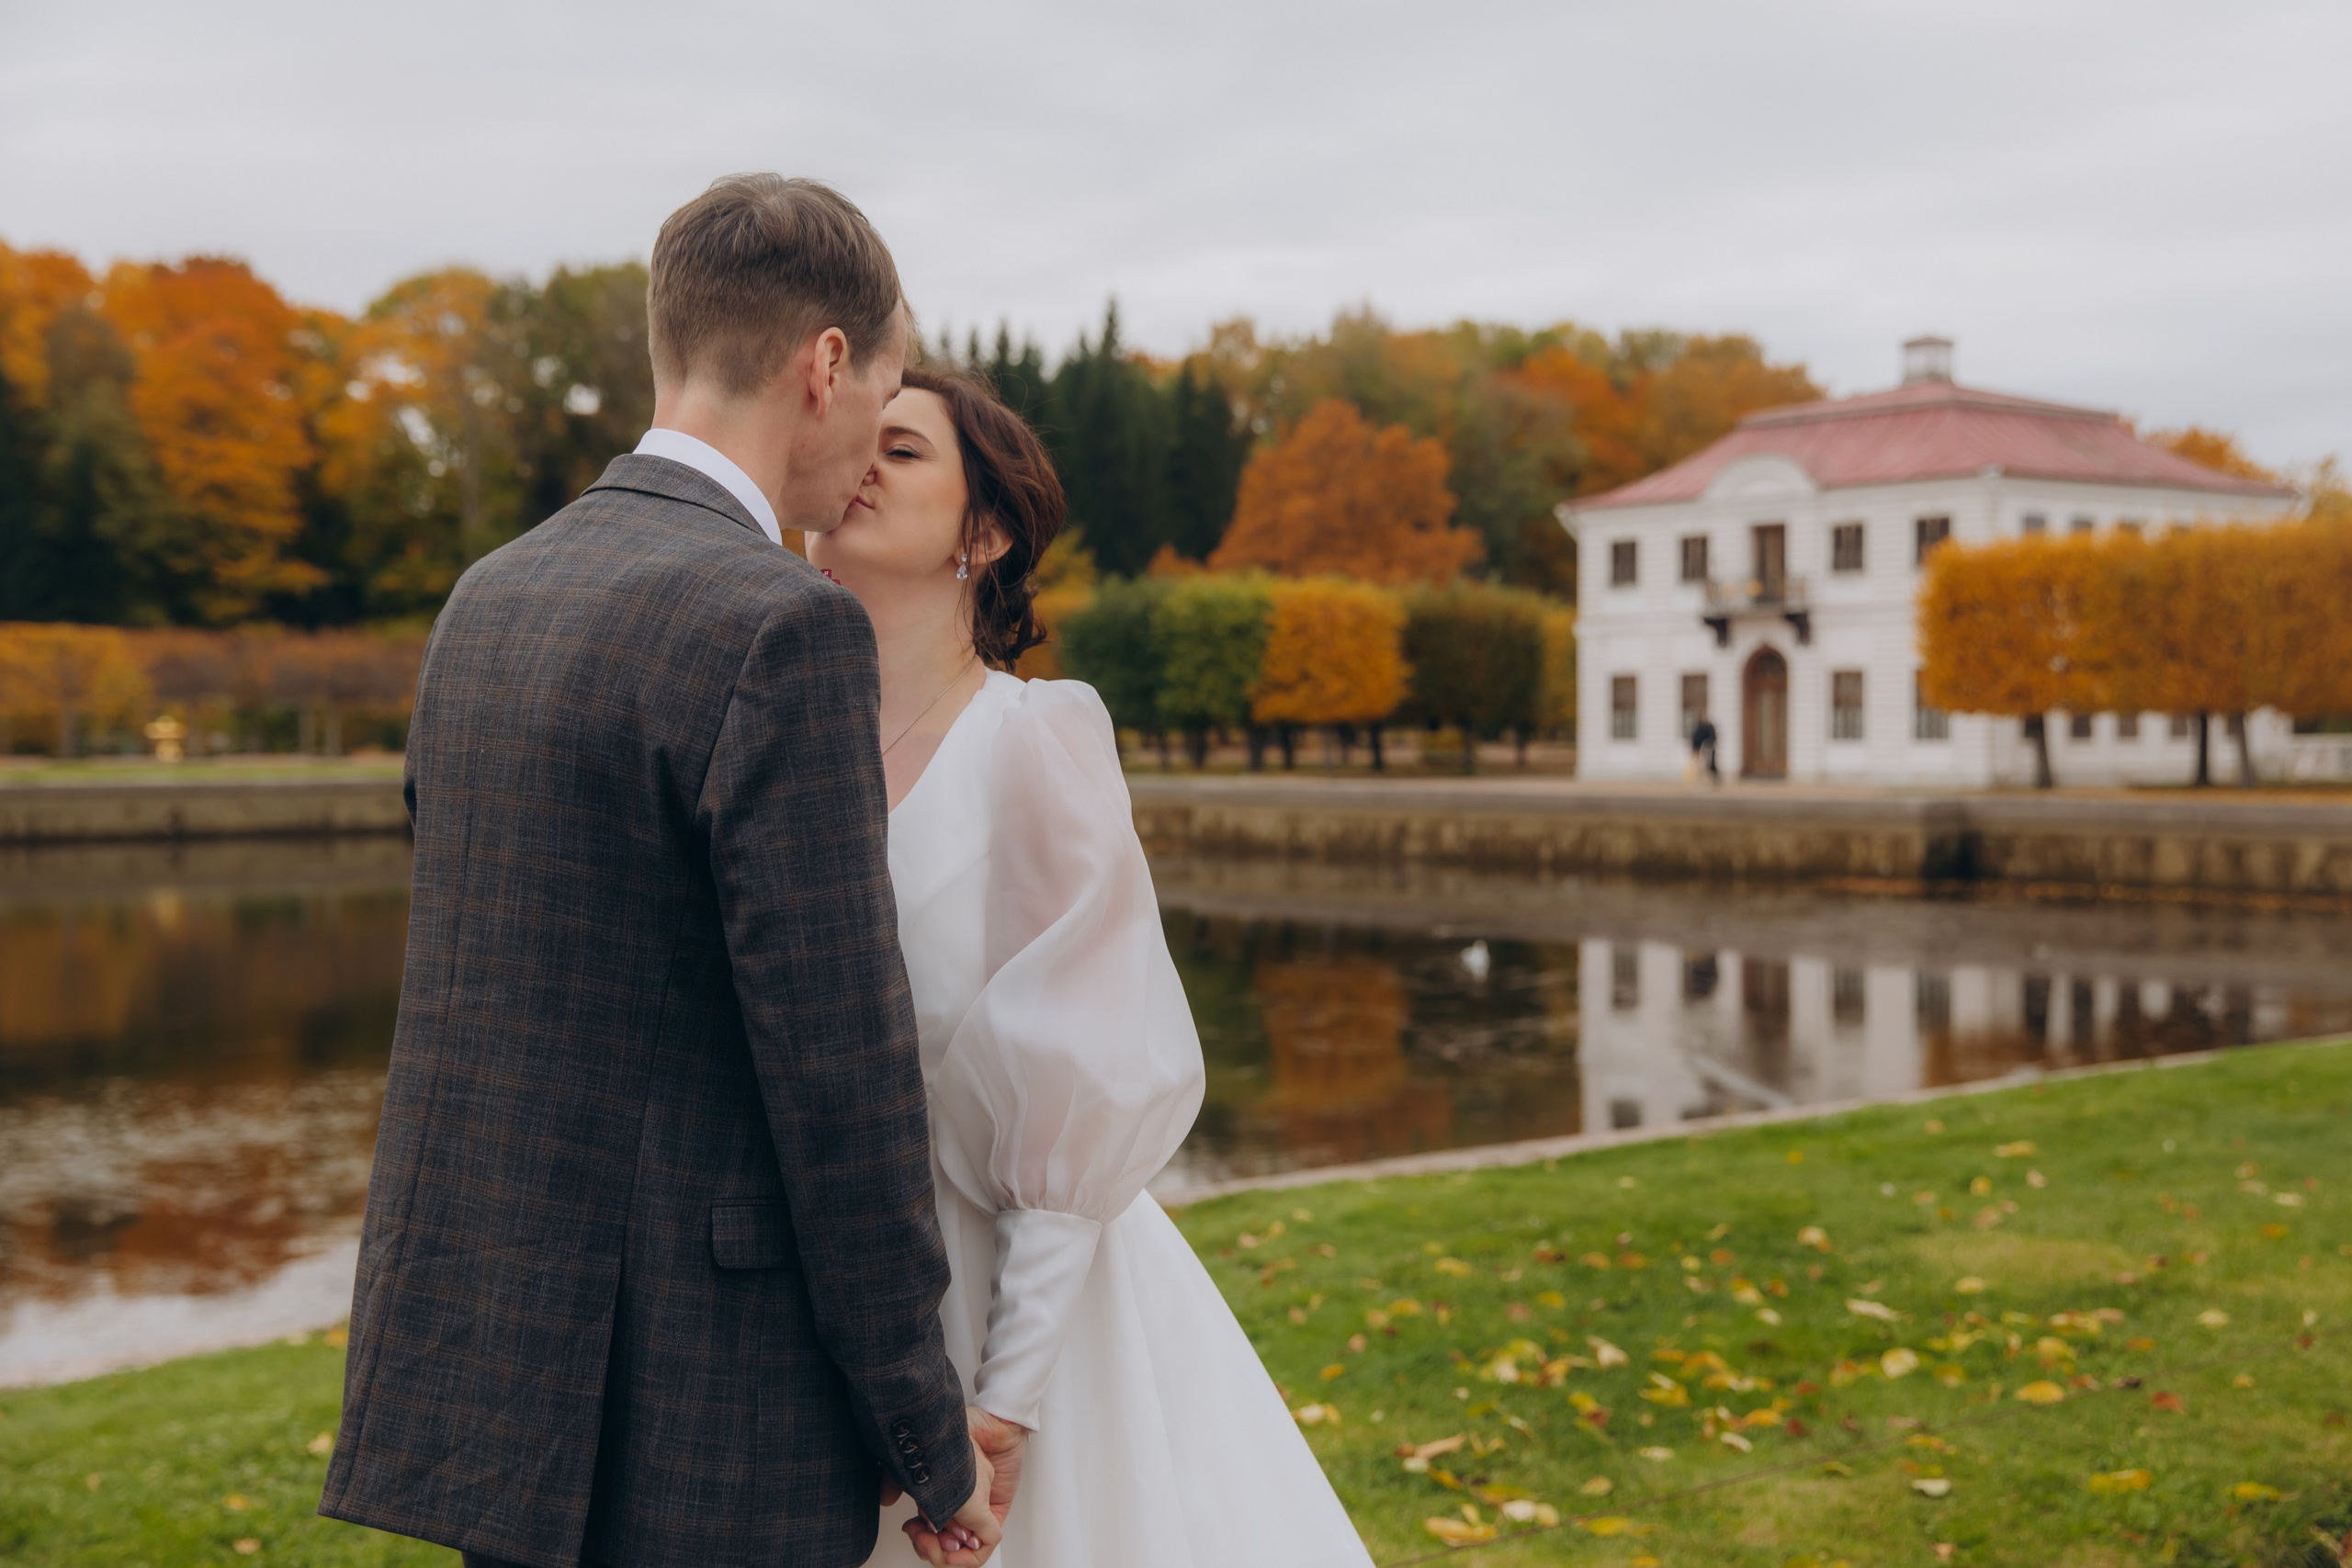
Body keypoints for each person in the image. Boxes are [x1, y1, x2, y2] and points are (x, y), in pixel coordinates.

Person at [320, 176, 1002, 1568]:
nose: (874, 437)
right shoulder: (784, 628)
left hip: (505, 1382)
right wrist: (927, 1434)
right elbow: (840, 1079)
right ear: (825, 364)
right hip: (705, 1411)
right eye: (880, 386)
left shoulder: (488, 597)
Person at [808, 367, 1375, 1568]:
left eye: (902, 451)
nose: (861, 463)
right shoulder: (779, 737)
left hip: (1015, 1290)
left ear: (987, 528)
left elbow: (1087, 1062)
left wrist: (1004, 1401)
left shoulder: (1035, 739)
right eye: (856, 439)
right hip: (820, 1295)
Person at [1690, 713, 1721, 785]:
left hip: (1706, 749)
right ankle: (1705, 780)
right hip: (1702, 749)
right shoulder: (1703, 728)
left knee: (1707, 765)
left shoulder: (1704, 728)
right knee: (1703, 766)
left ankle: (1709, 780)